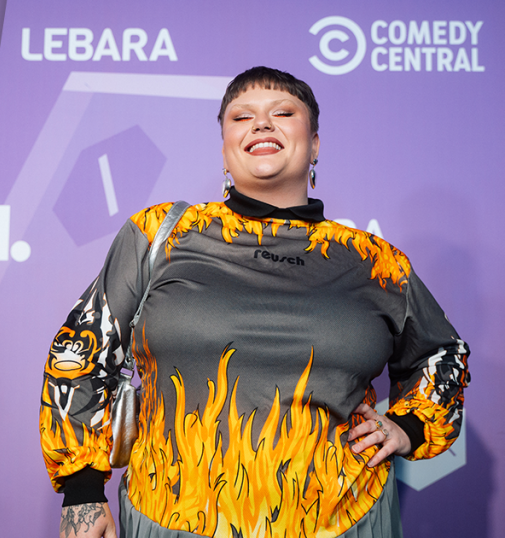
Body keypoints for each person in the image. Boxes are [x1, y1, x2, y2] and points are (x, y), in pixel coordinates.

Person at [40, 66, 469, 538]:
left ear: (315, 145)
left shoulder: (374, 261)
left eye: (282, 113)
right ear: (225, 149)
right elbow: (80, 350)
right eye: (242, 117)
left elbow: (442, 353)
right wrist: (81, 491)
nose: (261, 123)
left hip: (346, 520)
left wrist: (409, 426)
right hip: (170, 518)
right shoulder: (159, 235)